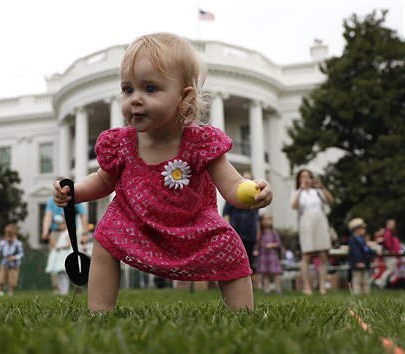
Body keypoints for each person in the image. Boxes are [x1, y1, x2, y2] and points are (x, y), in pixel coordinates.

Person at [52, 33, 272, 312]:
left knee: (230, 244)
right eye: (128, 89)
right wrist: (75, 192)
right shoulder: (120, 143)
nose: (135, 99)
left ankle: (244, 315)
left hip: (193, 224)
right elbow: (104, 180)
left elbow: (231, 187)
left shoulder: (201, 142)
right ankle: (99, 312)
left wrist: (252, 193)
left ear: (184, 97)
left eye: (150, 89)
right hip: (135, 222)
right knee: (105, 240)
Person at [291, 169, 334, 296]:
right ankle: (307, 287)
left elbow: (330, 201)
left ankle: (322, 287)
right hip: (306, 222)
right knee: (306, 255)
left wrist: (322, 187)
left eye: (308, 177)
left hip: (320, 221)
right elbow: (294, 206)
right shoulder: (296, 193)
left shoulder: (318, 192)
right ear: (299, 180)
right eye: (303, 177)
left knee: (323, 255)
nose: (306, 179)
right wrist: (300, 190)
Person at [41, 192, 89, 293]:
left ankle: (78, 284)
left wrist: (84, 233)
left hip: (71, 232)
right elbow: (48, 216)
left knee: (74, 258)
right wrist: (45, 231)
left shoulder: (75, 198)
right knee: (56, 260)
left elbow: (83, 215)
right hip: (56, 233)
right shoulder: (52, 200)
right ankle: (57, 288)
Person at [223, 171, 260, 273]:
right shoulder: (233, 196)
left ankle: (249, 285)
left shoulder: (255, 197)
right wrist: (228, 231)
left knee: (249, 260)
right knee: (236, 259)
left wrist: (257, 233)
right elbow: (226, 214)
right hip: (237, 232)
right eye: (245, 179)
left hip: (250, 233)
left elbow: (256, 217)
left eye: (249, 179)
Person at [44, 215, 73, 295]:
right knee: (60, 274)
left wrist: (59, 247)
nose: (59, 226)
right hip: (59, 256)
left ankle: (65, 292)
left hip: (64, 255)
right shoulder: (62, 233)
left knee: (64, 275)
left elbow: (68, 244)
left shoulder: (67, 233)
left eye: (61, 224)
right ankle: (61, 291)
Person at [256, 212, 283, 294]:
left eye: (269, 219)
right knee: (265, 273)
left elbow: (278, 243)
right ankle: (266, 289)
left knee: (276, 273)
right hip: (264, 256)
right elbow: (257, 243)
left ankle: (278, 288)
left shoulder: (273, 232)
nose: (266, 221)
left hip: (272, 256)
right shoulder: (260, 233)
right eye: (264, 219)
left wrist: (272, 245)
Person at [0, 224, 24, 296]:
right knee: (1, 278)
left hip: (14, 265)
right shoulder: (2, 243)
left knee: (12, 279)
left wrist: (14, 257)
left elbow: (21, 254)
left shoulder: (18, 244)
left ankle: (10, 292)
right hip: (4, 263)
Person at [347, 218, 375, 295]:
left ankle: (366, 293)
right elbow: (355, 252)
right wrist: (359, 261)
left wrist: (374, 252)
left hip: (364, 263)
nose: (364, 230)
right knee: (357, 280)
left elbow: (366, 249)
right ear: (356, 229)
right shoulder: (353, 240)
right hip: (357, 263)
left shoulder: (361, 239)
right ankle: (357, 294)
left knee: (365, 279)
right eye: (363, 228)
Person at [374, 219, 401, 288]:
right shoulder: (388, 233)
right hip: (390, 253)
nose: (393, 225)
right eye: (391, 224)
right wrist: (391, 250)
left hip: (392, 253)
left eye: (393, 224)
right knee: (391, 269)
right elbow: (388, 244)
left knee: (393, 269)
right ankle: (380, 281)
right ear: (387, 225)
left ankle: (384, 284)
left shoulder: (390, 232)